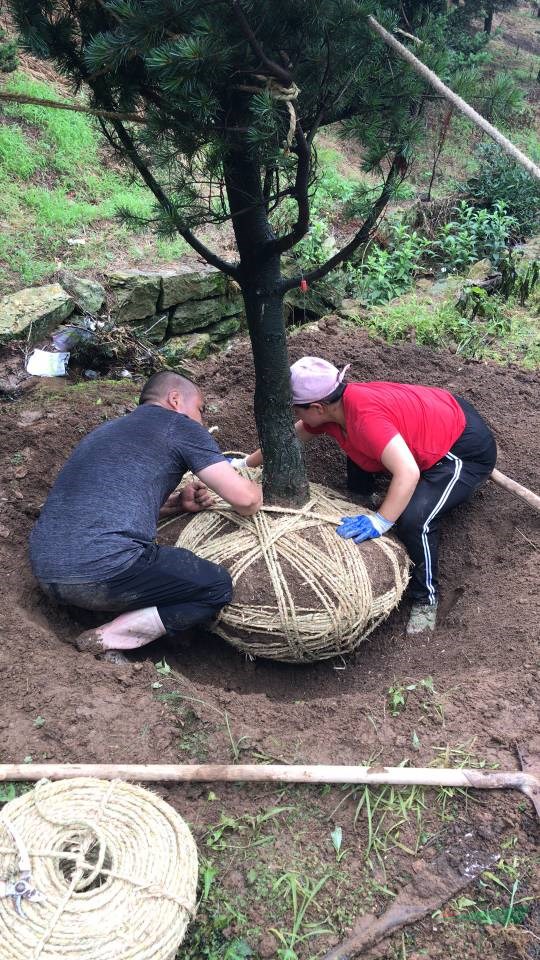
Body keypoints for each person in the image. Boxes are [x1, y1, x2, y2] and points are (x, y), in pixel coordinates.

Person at [236, 357, 496, 635]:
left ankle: (426, 600)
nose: (295, 415)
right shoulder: (336, 410)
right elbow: (289, 438)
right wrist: (243, 465)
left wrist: (382, 521)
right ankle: (366, 497)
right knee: (359, 451)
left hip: (460, 449)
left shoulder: (365, 420)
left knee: (413, 522)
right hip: (434, 416)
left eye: (296, 409)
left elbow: (408, 473)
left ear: (317, 407)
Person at [30, 370, 262, 662]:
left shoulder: (106, 432)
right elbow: (246, 501)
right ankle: (107, 638)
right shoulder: (181, 426)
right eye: (200, 410)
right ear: (175, 399)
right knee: (214, 585)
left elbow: (107, 501)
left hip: (47, 571)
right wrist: (256, 482)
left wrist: (177, 503)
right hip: (102, 573)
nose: (201, 421)